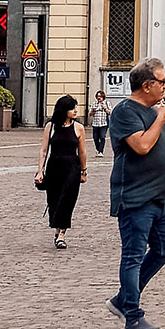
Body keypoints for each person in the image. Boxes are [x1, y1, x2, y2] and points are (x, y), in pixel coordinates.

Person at [108, 57, 165, 329]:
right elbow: (141, 145)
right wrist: (162, 117)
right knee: (133, 256)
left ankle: (122, 300)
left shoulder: (153, 111)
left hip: (158, 198)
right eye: (162, 81)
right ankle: (133, 318)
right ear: (147, 85)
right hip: (136, 198)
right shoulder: (125, 111)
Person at [35, 95, 88, 249]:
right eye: (72, 108)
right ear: (64, 110)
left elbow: (82, 152)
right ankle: (57, 230)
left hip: (72, 167)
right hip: (54, 167)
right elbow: (44, 150)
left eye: (76, 107)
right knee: (54, 200)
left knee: (67, 200)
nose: (75, 111)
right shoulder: (50, 127)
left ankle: (62, 234)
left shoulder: (79, 128)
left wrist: (83, 171)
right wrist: (40, 171)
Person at [88, 90, 112, 157]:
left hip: (103, 123)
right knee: (95, 138)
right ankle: (98, 149)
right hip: (95, 123)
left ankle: (101, 151)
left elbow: (110, 112)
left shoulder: (107, 103)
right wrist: (93, 111)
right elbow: (90, 114)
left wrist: (105, 108)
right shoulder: (94, 104)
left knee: (102, 137)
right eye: (98, 96)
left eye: (100, 96)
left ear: (103, 97)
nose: (99, 98)